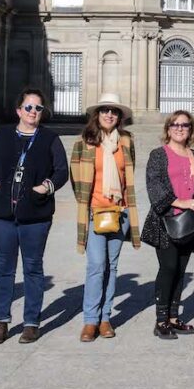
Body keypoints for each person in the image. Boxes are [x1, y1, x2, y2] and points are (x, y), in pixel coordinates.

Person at [0, 88, 69, 345]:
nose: (33, 112)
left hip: (36, 215)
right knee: (4, 269)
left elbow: (62, 171)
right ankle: (1, 322)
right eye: (28, 107)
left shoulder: (50, 138)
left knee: (32, 267)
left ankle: (31, 323)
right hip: (2, 213)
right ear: (18, 111)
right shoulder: (3, 135)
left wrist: (44, 188)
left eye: (38, 108)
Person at [70, 93, 141, 342]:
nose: (109, 115)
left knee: (112, 266)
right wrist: (89, 205)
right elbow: (75, 179)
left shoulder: (127, 141)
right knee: (96, 265)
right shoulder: (84, 142)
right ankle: (90, 320)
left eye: (114, 111)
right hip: (95, 213)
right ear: (96, 115)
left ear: (119, 117)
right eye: (104, 110)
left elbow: (128, 176)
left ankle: (105, 318)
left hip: (119, 213)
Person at [141, 110, 194, 340]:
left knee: (180, 269)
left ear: (191, 129)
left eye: (185, 125)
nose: (180, 128)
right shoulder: (159, 154)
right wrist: (180, 202)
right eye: (175, 124)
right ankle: (161, 320)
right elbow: (154, 185)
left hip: (189, 223)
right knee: (168, 268)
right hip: (167, 221)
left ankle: (173, 318)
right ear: (168, 129)